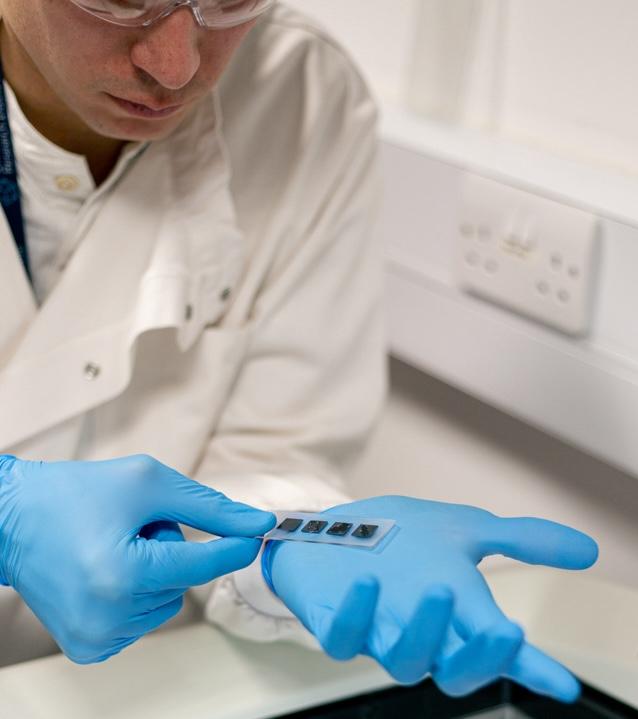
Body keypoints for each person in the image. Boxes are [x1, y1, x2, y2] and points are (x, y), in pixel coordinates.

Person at [0, 0, 598, 704]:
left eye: (228, 1)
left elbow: (269, 452)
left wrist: (299, 542)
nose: (176, 64)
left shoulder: (302, 94)